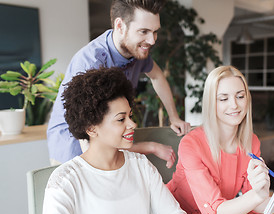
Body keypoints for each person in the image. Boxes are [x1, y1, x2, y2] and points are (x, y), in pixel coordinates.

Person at [41, 67, 200, 214]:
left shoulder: (140, 165)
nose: (132, 124)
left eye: (130, 116)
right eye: (121, 119)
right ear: (91, 128)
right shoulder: (65, 181)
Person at [47, 0, 191, 164]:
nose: (152, 40)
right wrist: (151, 147)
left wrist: (174, 117)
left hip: (110, 141)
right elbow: (93, 142)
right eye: (143, 31)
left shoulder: (136, 50)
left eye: (155, 32)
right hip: (75, 145)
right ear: (120, 26)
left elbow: (157, 76)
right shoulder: (91, 62)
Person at [167, 65, 272, 214]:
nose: (235, 105)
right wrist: (257, 196)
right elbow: (216, 211)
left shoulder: (252, 142)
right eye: (223, 99)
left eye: (240, 96)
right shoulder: (191, 144)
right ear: (211, 103)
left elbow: (252, 200)